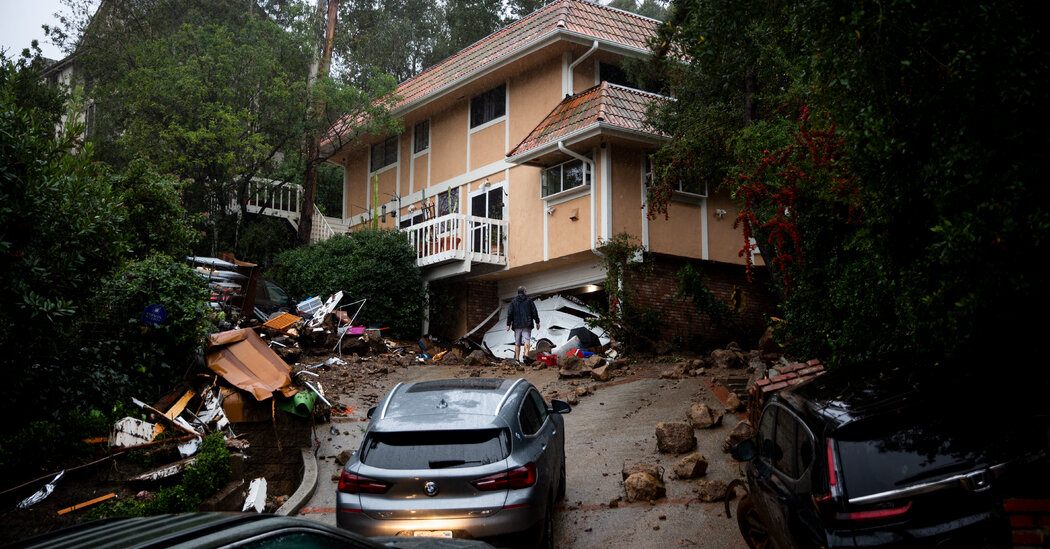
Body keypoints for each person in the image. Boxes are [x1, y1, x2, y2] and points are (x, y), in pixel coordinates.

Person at [505, 286, 540, 362]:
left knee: (517, 342)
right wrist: (537, 322)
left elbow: (510, 313)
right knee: (527, 340)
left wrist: (508, 324)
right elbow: (534, 312)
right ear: (524, 291)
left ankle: (517, 359)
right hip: (527, 324)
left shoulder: (513, 301)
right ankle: (526, 356)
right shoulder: (529, 300)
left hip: (517, 325)